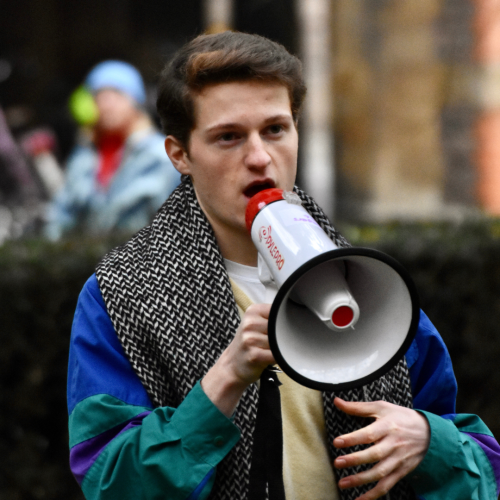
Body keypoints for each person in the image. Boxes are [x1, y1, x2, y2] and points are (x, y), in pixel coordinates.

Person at [67, 32, 500, 500]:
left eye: (275, 129)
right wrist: (225, 380)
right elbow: (109, 482)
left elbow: (482, 467)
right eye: (228, 137)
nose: (259, 157)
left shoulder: (364, 281)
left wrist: (428, 442)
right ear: (180, 154)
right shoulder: (122, 294)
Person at [44, 60, 180, 240]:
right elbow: (60, 215)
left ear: (135, 100)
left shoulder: (163, 156)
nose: (107, 104)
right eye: (100, 96)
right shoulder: (83, 156)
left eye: (117, 94)